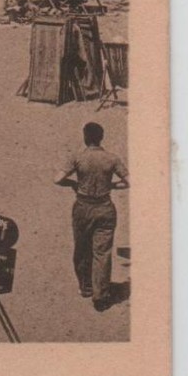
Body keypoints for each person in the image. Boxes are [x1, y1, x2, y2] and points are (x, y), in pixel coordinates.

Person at [55, 122, 129, 311]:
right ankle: (101, 295)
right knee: (102, 253)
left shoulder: (78, 157)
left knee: (82, 248)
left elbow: (57, 179)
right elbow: (128, 181)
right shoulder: (112, 159)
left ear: (85, 137)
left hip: (83, 207)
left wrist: (74, 184)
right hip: (105, 207)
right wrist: (112, 186)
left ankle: (86, 286)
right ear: (101, 137)